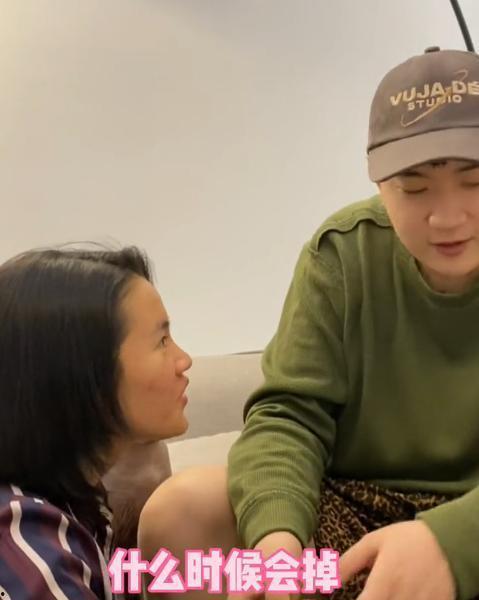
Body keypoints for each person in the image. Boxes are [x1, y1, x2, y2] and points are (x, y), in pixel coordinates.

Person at [139, 47, 479, 600]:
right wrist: (277, 541)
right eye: (413, 187)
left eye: (475, 179)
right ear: (378, 183)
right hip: (354, 505)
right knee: (183, 511)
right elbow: (290, 413)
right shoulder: (343, 253)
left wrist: (452, 544)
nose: (447, 216)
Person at [0, 245, 192, 598]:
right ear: (81, 372)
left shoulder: (80, 513)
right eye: (162, 341)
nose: (184, 360)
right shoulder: (27, 542)